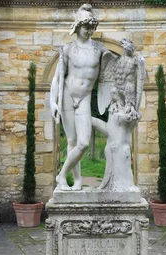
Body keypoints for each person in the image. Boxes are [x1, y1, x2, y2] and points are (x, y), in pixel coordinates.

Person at [50, 4, 109, 191]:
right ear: (77, 26)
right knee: (72, 141)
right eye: (86, 27)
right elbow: (58, 77)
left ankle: (61, 175)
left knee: (83, 142)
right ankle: (77, 181)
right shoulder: (67, 49)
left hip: (84, 98)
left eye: (92, 27)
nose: (90, 31)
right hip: (68, 95)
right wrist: (53, 101)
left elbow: (112, 71)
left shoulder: (100, 49)